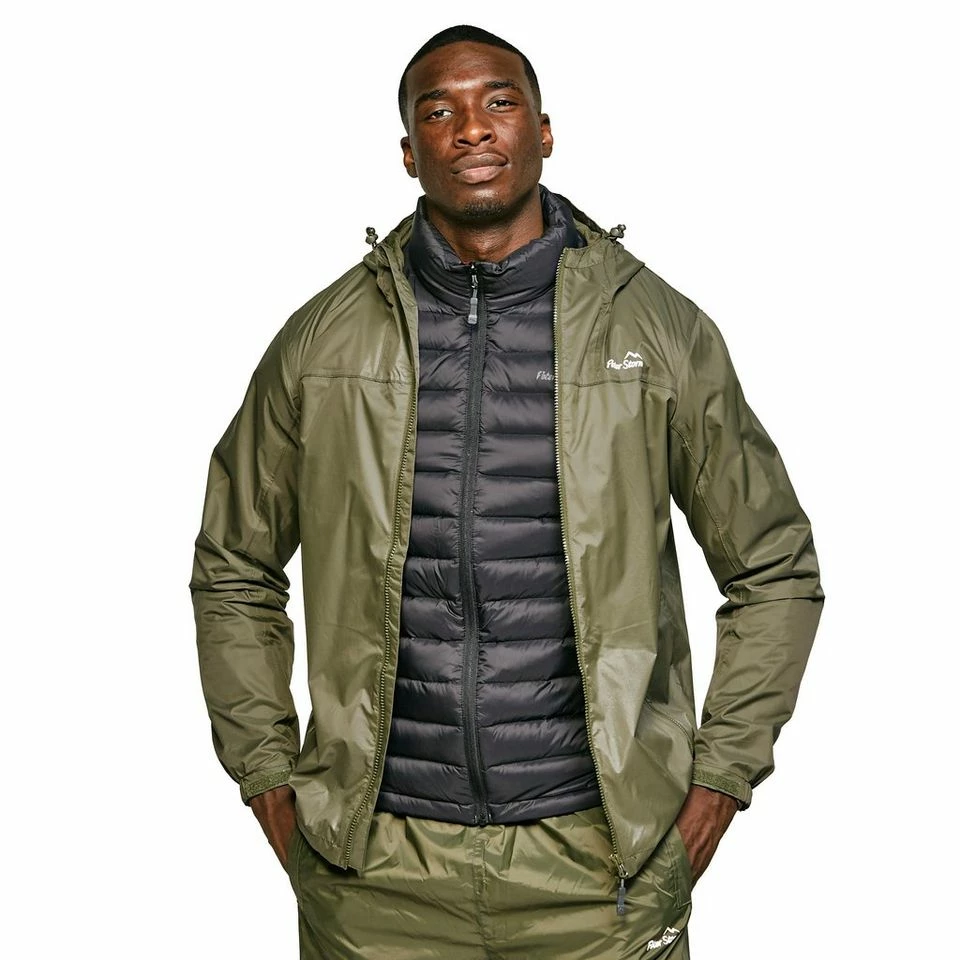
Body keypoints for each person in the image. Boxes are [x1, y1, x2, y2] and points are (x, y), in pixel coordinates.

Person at [190, 23, 824, 959]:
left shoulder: (658, 332)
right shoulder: (324, 341)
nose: (472, 128)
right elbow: (234, 568)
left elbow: (774, 568)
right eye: (437, 112)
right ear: (409, 153)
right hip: (374, 872)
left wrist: (715, 788)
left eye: (498, 101)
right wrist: (272, 785)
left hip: (598, 869)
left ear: (544, 130)